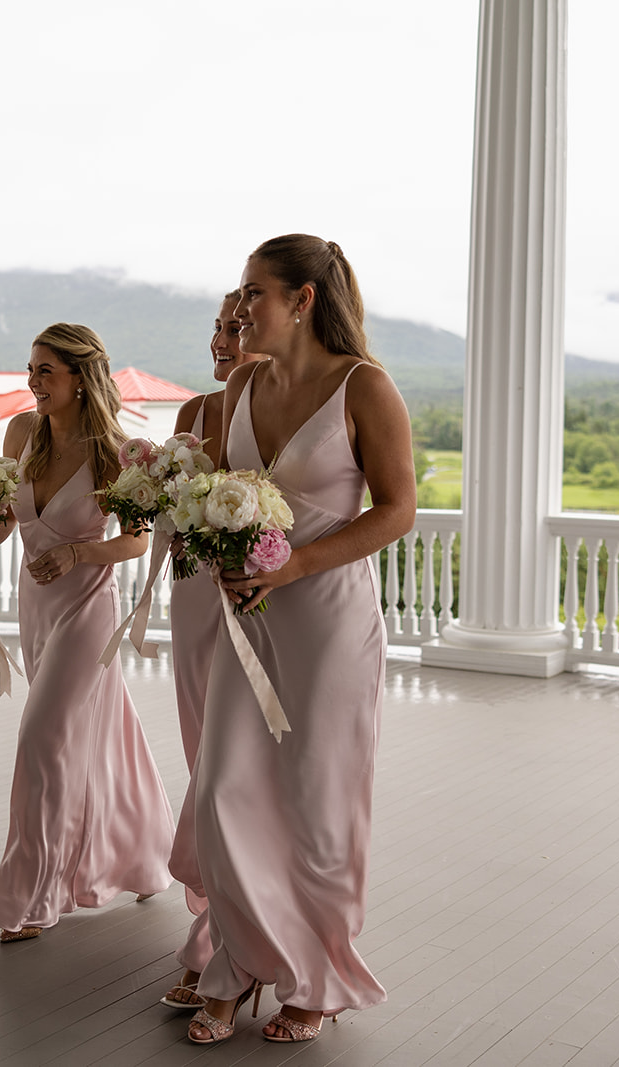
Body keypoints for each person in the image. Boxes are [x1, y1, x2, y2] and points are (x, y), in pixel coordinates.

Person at [178, 236, 415, 1045]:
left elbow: (396, 509)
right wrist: (207, 544)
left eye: (254, 292)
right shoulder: (240, 383)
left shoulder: (364, 387)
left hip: (328, 624)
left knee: (320, 802)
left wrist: (298, 564)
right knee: (221, 791)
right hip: (246, 619)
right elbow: (213, 491)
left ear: (303, 300)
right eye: (241, 293)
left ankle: (318, 976)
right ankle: (238, 962)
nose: (240, 308)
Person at [0, 323, 175, 944]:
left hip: (87, 608)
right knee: (99, 729)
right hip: (34, 608)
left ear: (80, 378)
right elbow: (7, 521)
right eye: (30, 369)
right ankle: (144, 850)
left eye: (46, 372)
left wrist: (76, 556)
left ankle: (34, 894)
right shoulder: (21, 433)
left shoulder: (119, 451)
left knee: (44, 738)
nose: (33, 382)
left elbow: (138, 540)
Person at [160, 290, 264, 1010]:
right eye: (218, 328)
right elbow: (170, 507)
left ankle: (221, 944)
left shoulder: (278, 405)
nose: (223, 340)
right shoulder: (192, 412)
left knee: (229, 771)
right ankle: (212, 917)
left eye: (237, 326)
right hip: (191, 595)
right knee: (202, 758)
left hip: (250, 599)